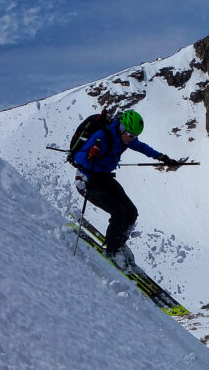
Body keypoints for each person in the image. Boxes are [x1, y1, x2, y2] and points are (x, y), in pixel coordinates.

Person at [71, 108, 184, 259]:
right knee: (119, 212)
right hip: (86, 180)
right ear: (122, 128)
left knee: (131, 212)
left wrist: (163, 158)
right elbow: (77, 158)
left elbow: (142, 147)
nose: (132, 138)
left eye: (135, 136)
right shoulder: (102, 137)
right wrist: (90, 155)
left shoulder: (125, 138)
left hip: (103, 178)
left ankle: (118, 244)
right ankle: (112, 251)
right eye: (131, 135)